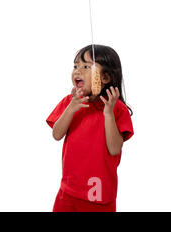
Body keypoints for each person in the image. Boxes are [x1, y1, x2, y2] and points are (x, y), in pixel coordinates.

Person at [47, 44, 133, 212]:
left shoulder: (117, 109)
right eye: (75, 66)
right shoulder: (70, 102)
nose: (77, 71)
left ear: (106, 78)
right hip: (69, 190)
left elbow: (115, 149)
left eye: (86, 66)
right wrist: (72, 108)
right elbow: (56, 134)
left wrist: (108, 114)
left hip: (98, 195)